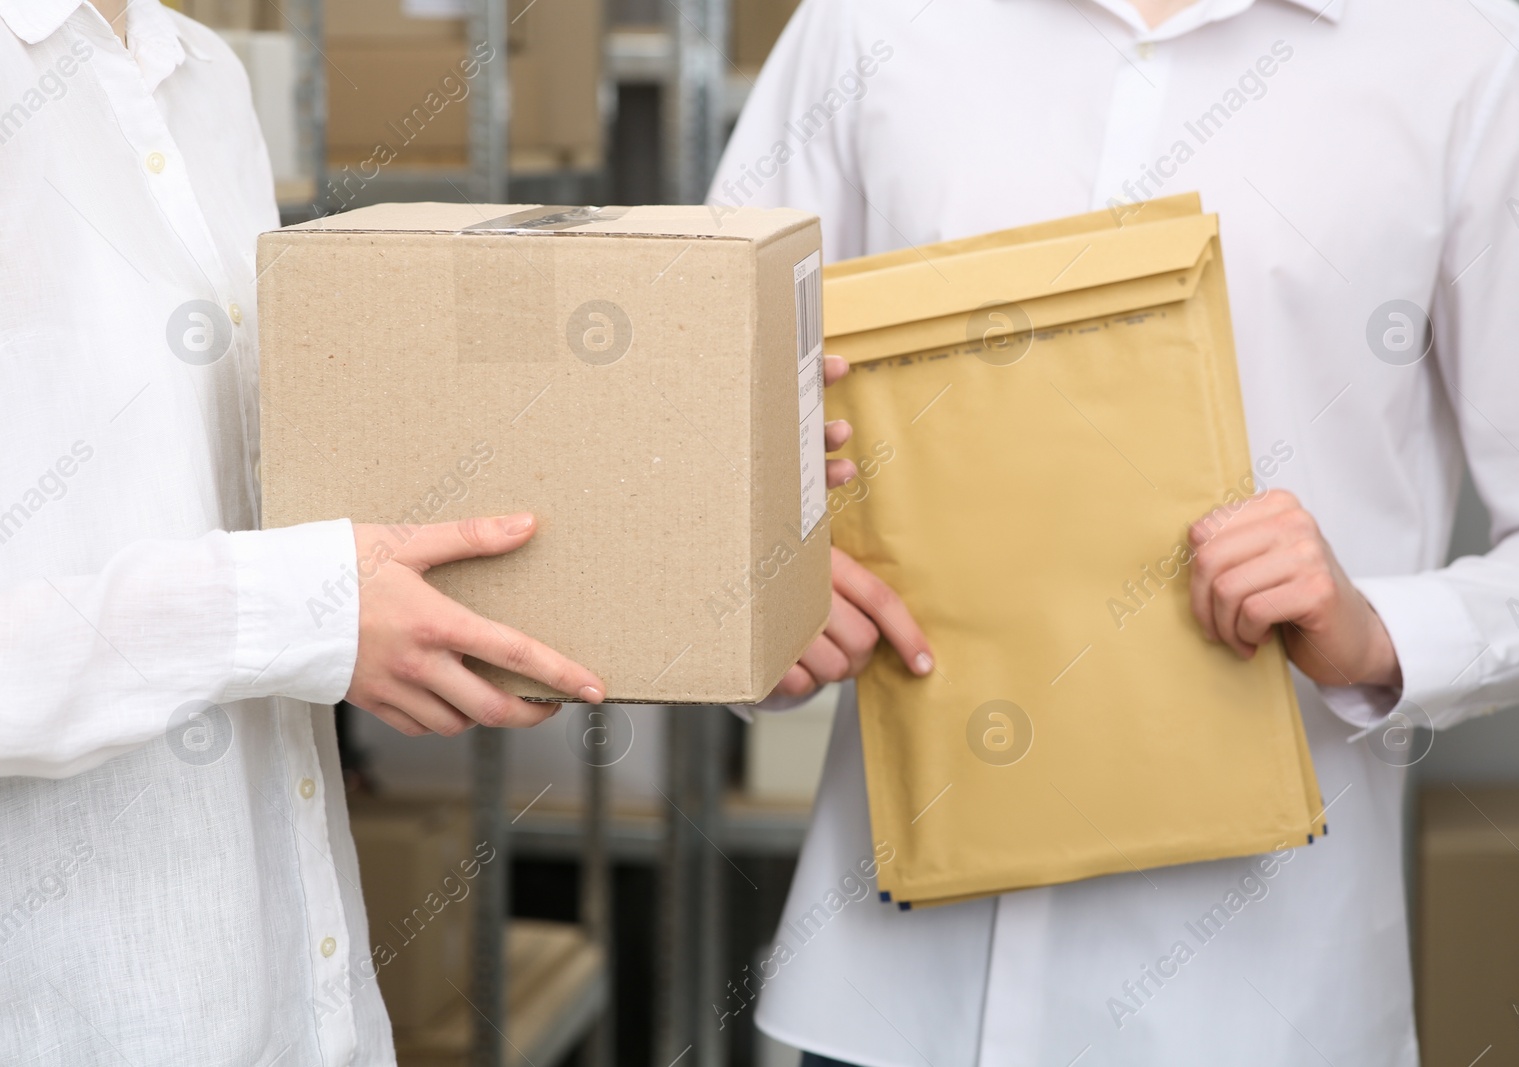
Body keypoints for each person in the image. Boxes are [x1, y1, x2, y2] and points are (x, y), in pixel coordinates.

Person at [0, 1, 888, 1062]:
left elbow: (272, 482)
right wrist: (307, 610)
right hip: (75, 1005)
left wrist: (717, 465)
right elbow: (282, 590)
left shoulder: (203, 77)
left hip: (285, 991)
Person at [718, 0, 1519, 1063]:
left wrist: (1379, 634)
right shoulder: (866, 24)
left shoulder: (1466, 56)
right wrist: (760, 588)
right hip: (886, 1002)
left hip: (1262, 1009)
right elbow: (700, 426)